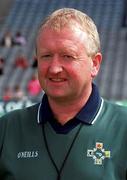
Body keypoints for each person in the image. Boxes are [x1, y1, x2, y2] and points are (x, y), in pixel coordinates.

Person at [0, 8, 127, 180]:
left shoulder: (122, 127)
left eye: (67, 56)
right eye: (46, 56)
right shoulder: (7, 128)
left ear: (95, 64)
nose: (54, 68)